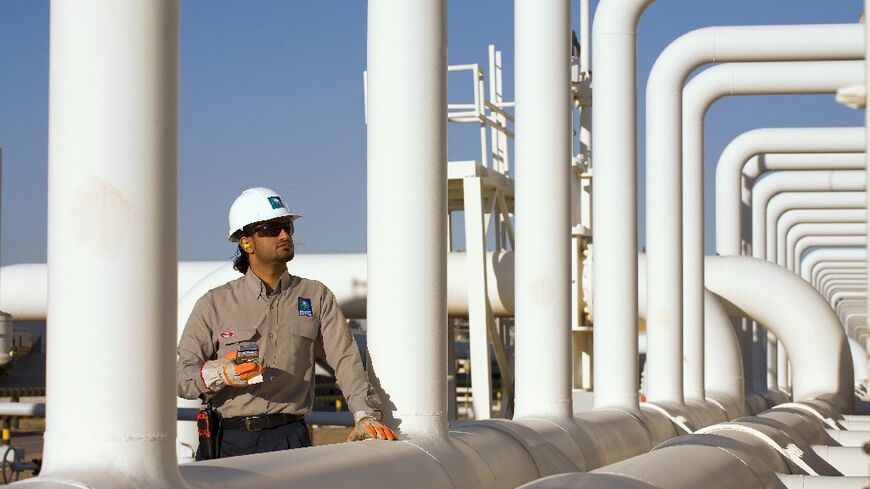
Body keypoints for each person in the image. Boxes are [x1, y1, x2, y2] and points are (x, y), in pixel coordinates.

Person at [176, 186, 396, 459]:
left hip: (290, 438)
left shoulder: (316, 297)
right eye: (272, 228)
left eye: (287, 228)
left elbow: (346, 362)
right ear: (247, 242)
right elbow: (180, 377)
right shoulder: (214, 304)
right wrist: (220, 373)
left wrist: (365, 416)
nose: (284, 235)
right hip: (230, 442)